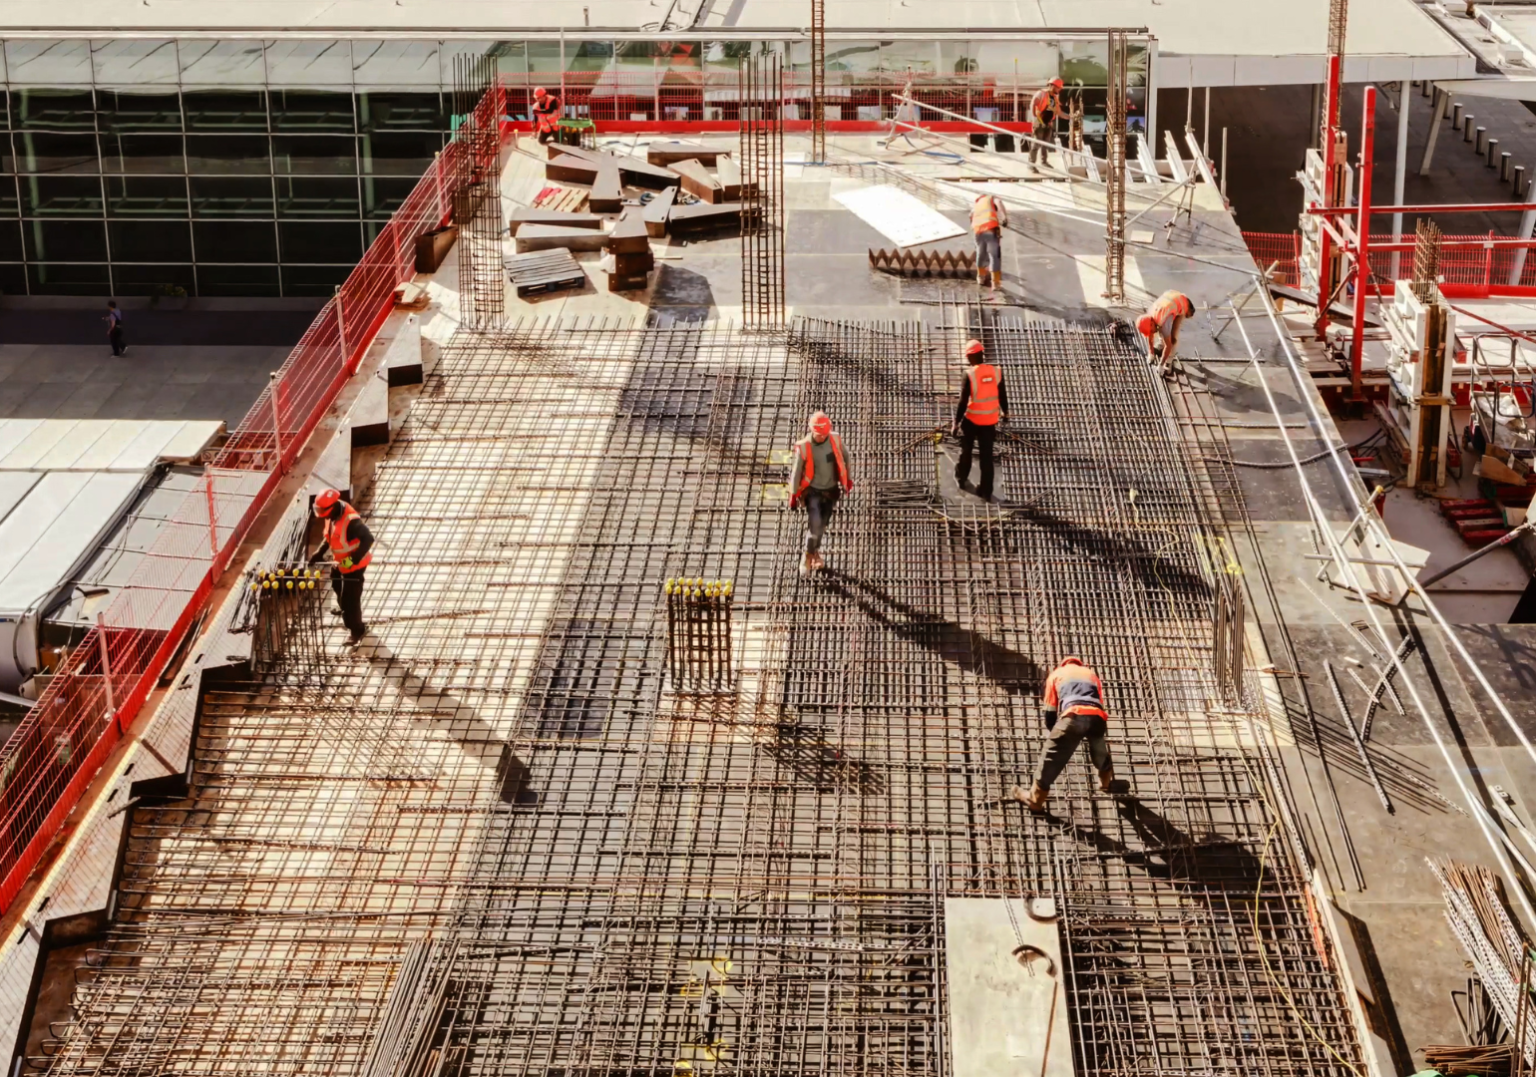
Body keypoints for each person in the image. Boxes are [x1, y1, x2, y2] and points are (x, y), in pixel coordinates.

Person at [1013, 656, 1118, 812]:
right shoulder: (1091, 674)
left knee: (1050, 756)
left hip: (1073, 714)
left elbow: (1050, 712)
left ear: (1063, 664)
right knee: (1098, 746)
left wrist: (1058, 735)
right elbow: (1099, 702)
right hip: (1097, 716)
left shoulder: (1057, 674)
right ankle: (1105, 783)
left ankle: (1035, 799)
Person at [788, 411, 854, 577]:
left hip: (831, 491)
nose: (821, 437)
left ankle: (814, 552)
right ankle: (807, 557)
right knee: (815, 525)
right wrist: (793, 494)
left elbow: (847, 457)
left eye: (823, 434)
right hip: (813, 492)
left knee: (822, 525)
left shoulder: (835, 439)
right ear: (812, 431)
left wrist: (848, 479)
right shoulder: (804, 446)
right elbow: (796, 472)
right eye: (818, 435)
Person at [314, 487, 374, 645]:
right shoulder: (333, 514)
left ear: (331, 507)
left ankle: (357, 629)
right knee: (336, 583)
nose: (320, 513)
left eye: (321, 510)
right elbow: (330, 536)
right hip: (341, 562)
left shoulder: (351, 521)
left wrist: (352, 561)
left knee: (350, 599)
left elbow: (368, 539)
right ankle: (344, 609)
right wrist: (319, 553)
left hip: (354, 564)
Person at [951, 339, 1008, 501]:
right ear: (982, 354)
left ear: (970, 357)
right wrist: (1006, 413)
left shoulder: (969, 374)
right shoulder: (996, 372)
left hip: (972, 420)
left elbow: (963, 401)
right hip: (990, 421)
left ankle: (961, 478)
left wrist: (956, 423)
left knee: (966, 451)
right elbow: (1002, 394)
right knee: (986, 457)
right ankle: (986, 490)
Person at [1137, 289, 1196, 375]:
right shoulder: (1149, 318)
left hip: (1182, 303)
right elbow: (1150, 334)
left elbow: (1168, 344)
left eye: (1151, 330)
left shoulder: (1162, 321)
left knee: (1172, 337)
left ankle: (1169, 361)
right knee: (1163, 330)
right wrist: (1151, 352)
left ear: (1151, 324)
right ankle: (1161, 345)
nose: (1152, 333)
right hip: (1171, 299)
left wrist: (1161, 364)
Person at [971, 193, 1009, 292]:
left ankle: (980, 277)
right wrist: (1004, 218)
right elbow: (999, 203)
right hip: (990, 229)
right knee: (994, 255)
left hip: (978, 230)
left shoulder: (977, 203)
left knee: (980, 253)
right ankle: (995, 283)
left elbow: (970, 215)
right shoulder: (992, 198)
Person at [1028, 77, 1064, 168]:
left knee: (1045, 144)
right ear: (1052, 86)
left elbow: (1059, 112)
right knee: (1036, 144)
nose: (1059, 89)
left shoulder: (1054, 97)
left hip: (1048, 124)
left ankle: (1044, 162)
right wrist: (1035, 117)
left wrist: (1070, 117)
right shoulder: (1041, 93)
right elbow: (1033, 103)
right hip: (1039, 123)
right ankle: (1031, 165)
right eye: (1058, 87)